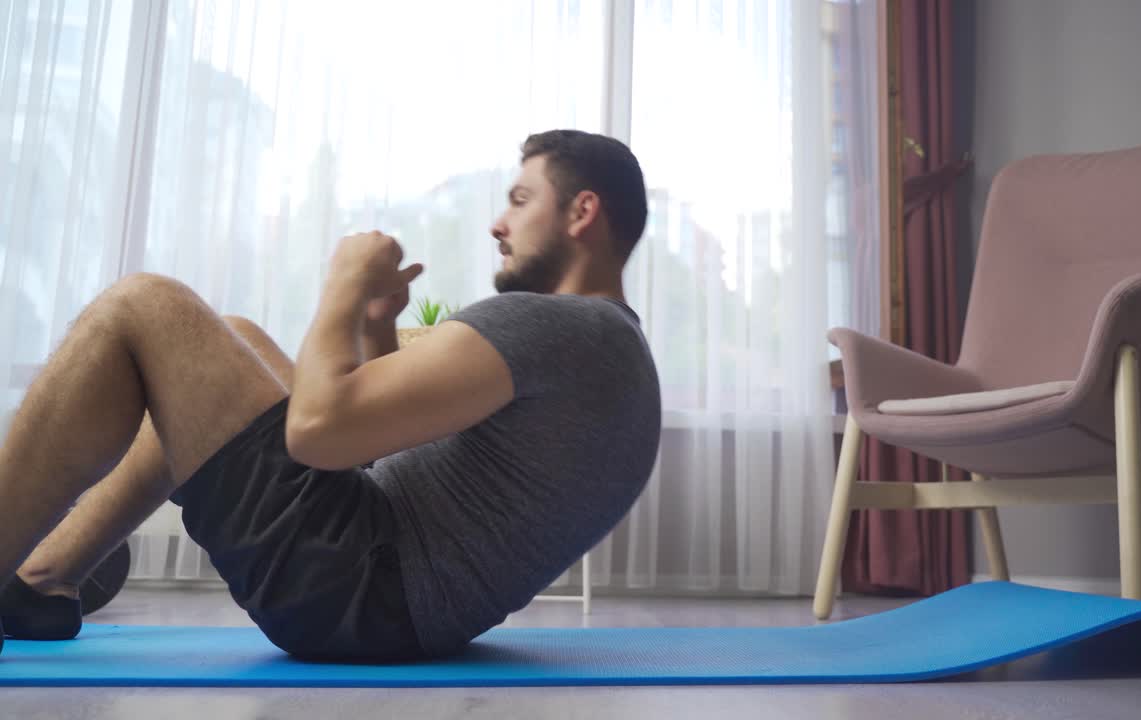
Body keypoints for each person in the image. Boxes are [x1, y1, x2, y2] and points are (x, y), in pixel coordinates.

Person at [0, 130, 661, 661]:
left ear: (582, 212)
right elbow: (392, 437)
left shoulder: (556, 325)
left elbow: (317, 431)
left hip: (357, 582)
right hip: (386, 596)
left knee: (143, 306)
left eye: (520, 199)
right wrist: (374, 323)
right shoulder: (606, 347)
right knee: (235, 338)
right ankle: (42, 582)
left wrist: (342, 284)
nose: (497, 222)